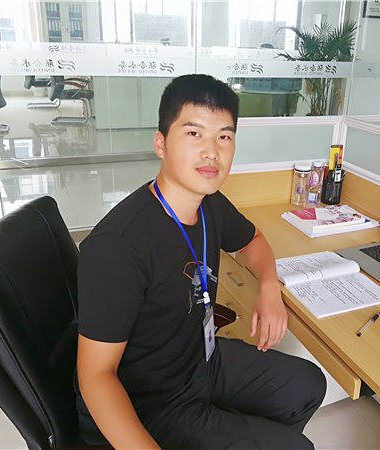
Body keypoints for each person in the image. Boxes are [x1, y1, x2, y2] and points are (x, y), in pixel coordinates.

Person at [75, 74, 326, 450]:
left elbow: (253, 241)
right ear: (161, 143)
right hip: (150, 402)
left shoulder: (210, 204)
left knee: (307, 384)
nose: (212, 152)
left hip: (197, 359)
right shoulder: (118, 246)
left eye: (224, 136)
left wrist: (269, 287)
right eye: (194, 133)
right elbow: (96, 376)